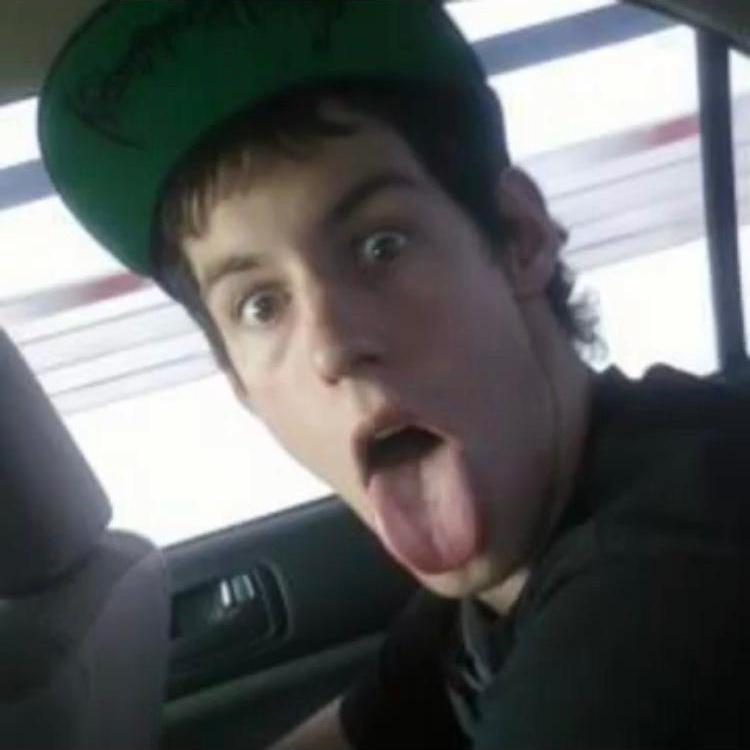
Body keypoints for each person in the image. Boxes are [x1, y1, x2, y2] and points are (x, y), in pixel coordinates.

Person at [38, 2, 750, 748]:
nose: (331, 347)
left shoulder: (671, 578)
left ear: (518, 238)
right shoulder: (508, 574)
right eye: (260, 305)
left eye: (381, 246)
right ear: (238, 383)